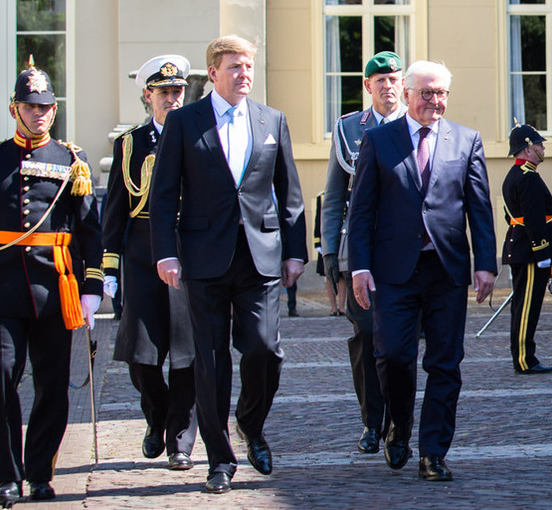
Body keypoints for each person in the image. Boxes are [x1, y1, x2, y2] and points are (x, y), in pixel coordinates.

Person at [149, 35, 308, 494]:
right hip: (202, 257)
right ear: (214, 72)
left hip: (259, 256)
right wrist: (166, 252)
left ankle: (250, 423)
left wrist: (296, 251)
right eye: (235, 66)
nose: (244, 74)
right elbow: (163, 196)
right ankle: (220, 460)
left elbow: (290, 193)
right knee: (211, 361)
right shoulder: (184, 121)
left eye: (249, 66)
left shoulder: (271, 119)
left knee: (263, 350)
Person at [347, 60, 496, 482]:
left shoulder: (465, 140)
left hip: (446, 271)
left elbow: (479, 209)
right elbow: (361, 212)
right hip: (393, 271)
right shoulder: (379, 141)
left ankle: (433, 452)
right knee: (393, 355)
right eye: (427, 93)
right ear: (408, 94)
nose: (435, 101)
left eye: (442, 93)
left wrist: (485, 264)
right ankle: (398, 427)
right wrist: (358, 267)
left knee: (446, 363)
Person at [0, 63, 103, 504]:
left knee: (52, 386)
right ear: (15, 108)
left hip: (55, 290)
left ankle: (39, 472)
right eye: (31, 107)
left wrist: (92, 287)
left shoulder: (72, 160)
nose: (39, 114)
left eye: (46, 107)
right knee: (0, 378)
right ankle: (7, 475)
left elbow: (89, 229)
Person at [101, 55, 196, 470]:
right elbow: (115, 211)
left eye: (178, 92)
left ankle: (180, 440)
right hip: (142, 254)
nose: (173, 100)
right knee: (141, 355)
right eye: (165, 93)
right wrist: (107, 268)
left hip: (189, 251)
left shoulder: (199, 135)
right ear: (148, 96)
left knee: (187, 355)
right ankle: (157, 415)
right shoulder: (130, 144)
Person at [321, 51, 405, 455]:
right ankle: (373, 420)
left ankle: (398, 422)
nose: (387, 86)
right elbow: (334, 197)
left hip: (407, 250)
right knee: (368, 336)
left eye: (393, 79)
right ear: (368, 86)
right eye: (380, 80)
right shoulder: (349, 128)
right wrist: (329, 255)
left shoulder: (418, 122)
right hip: (361, 250)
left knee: (401, 344)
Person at [501, 123, 552, 374]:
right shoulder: (527, 177)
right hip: (530, 251)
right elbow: (533, 219)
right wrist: (542, 252)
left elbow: (511, 216)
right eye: (539, 144)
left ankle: (525, 355)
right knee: (527, 306)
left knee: (524, 305)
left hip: (522, 248)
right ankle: (525, 358)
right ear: (527, 148)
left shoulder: (517, 175)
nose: (542, 148)